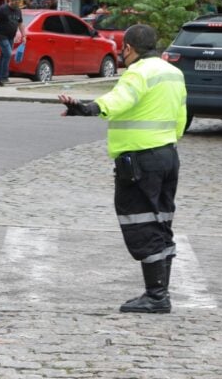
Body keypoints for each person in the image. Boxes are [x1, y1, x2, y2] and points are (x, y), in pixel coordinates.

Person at [59, 24, 187, 314]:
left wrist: (85, 108)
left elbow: (118, 102)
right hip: (168, 155)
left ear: (128, 48)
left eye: (123, 49)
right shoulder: (173, 73)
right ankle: (159, 293)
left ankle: (156, 297)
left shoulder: (138, 73)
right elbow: (182, 115)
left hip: (141, 159)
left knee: (141, 223)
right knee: (161, 221)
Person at [0, 0, 26, 87]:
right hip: (1, 35)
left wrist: (23, 35)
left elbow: (20, 23)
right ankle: (4, 76)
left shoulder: (18, 10)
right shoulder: (3, 9)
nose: (16, 4)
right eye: (15, 2)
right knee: (8, 53)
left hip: (10, 36)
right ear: (10, 0)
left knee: (4, 55)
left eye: (18, 3)